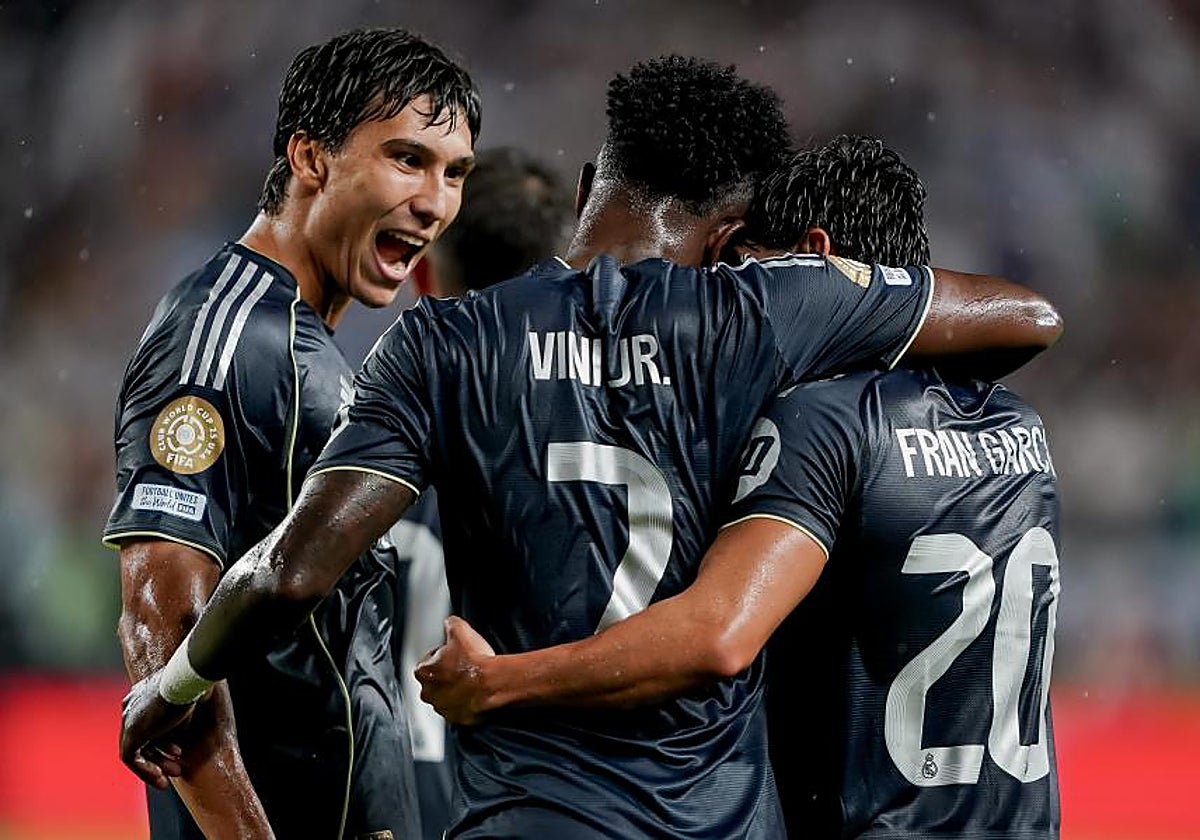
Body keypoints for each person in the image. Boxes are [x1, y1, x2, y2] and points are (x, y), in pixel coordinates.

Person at [121, 56, 1061, 839]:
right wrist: (810, 285)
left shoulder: (446, 340)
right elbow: (1028, 317)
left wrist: (175, 682)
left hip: (528, 814)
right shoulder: (764, 313)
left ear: (585, 190)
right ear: (733, 238)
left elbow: (290, 574)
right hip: (717, 820)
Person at [416, 135, 1063, 839]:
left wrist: (503, 682)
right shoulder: (1018, 426)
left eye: (738, 268)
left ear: (814, 260)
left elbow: (717, 633)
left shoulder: (824, 420)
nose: (725, 298)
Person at [103, 27, 479, 840]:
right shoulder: (223, 338)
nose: (436, 201)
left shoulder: (313, 342)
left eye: (455, 174)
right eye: (407, 159)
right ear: (311, 157)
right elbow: (159, 620)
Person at [386, 145, 575, 840]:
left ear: (424, 276)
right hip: (542, 805)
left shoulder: (349, 444)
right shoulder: (600, 460)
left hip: (381, 797)